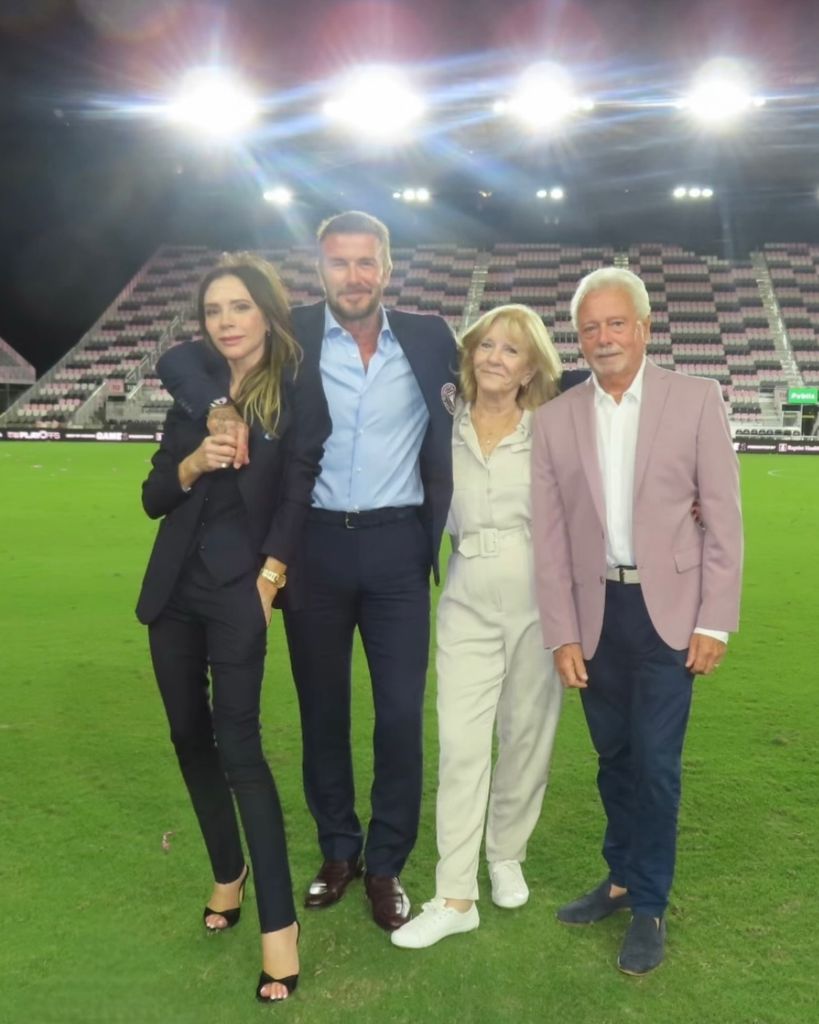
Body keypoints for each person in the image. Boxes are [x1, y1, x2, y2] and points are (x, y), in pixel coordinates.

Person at [156, 212, 458, 932]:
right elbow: (178, 359)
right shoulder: (288, 335)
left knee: (398, 716)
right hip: (310, 549)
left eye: (366, 263)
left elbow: (514, 371)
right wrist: (218, 405)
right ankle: (338, 851)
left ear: (386, 268)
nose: (352, 276)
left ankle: (385, 863)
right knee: (322, 712)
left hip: (395, 547)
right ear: (316, 270)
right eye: (337, 263)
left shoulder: (428, 337)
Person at [530, 267, 743, 975]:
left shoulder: (694, 399)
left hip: (669, 616)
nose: (601, 338)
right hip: (596, 617)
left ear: (645, 328)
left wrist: (715, 620)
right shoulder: (556, 418)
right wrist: (560, 630)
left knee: (654, 765)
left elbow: (721, 516)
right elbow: (551, 536)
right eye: (589, 327)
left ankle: (649, 901)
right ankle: (620, 877)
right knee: (613, 759)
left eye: (615, 323)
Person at [136, 253, 330, 1001]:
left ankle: (279, 927)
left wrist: (269, 579)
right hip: (173, 592)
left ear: (267, 313)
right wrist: (190, 464)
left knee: (241, 749)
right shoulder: (195, 391)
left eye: (239, 307)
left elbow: (299, 493)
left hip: (241, 591)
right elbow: (155, 495)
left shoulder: (297, 390)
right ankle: (228, 872)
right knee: (189, 738)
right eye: (214, 310)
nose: (226, 322)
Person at [392, 305, 587, 949]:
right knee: (461, 745)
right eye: (485, 346)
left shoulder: (552, 430)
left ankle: (506, 854)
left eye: (510, 350)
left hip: (539, 593)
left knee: (527, 736)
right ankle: (455, 895)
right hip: (466, 594)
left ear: (531, 367)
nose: (493, 358)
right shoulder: (442, 427)